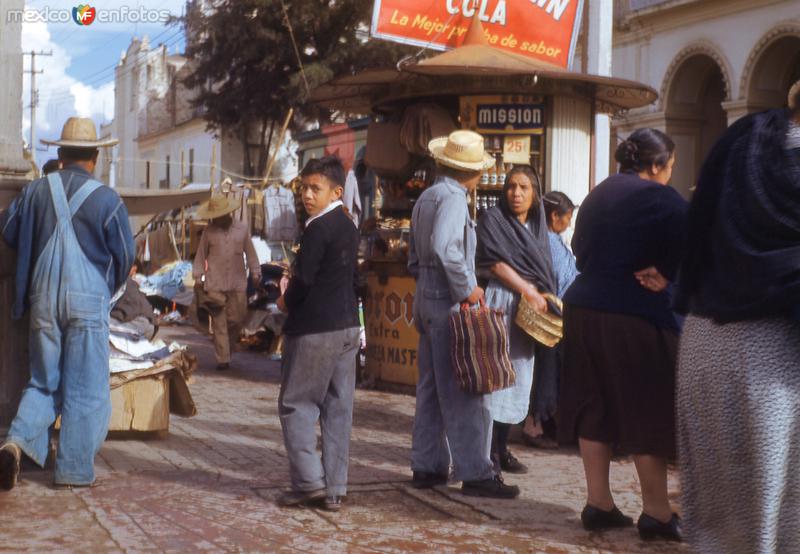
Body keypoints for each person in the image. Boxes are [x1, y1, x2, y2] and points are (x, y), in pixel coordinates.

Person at [674, 83, 800, 552]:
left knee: (721, 514)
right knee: (776, 515)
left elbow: (695, 228)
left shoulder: (740, 141)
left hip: (707, 337)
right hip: (776, 352)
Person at [558, 128, 688, 541]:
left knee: (593, 404)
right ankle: (657, 511)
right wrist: (666, 273)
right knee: (646, 405)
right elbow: (695, 239)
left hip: (583, 306)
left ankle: (599, 502)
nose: (670, 175)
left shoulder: (599, 193)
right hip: (633, 312)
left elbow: (579, 247)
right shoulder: (661, 196)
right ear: (656, 165)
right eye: (670, 167)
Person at [0, 117, 134, 490]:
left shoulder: (36, 191)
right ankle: (73, 471)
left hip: (42, 299)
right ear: (95, 157)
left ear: (60, 155)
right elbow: (125, 254)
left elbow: (8, 231)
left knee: (42, 382)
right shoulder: (108, 199)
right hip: (88, 302)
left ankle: (15, 442)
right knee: (86, 389)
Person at [408, 130, 519, 499]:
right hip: (447, 298)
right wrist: (467, 288)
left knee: (430, 387)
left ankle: (427, 464)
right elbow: (446, 248)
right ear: (469, 172)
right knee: (463, 387)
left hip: (425, 295)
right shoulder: (454, 198)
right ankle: (475, 470)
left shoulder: (427, 196)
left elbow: (417, 254)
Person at [274, 156, 361, 512]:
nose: (307, 195)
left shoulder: (318, 227)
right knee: (338, 408)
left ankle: (309, 482)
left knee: (297, 404)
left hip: (315, 328)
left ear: (336, 191)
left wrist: (284, 301)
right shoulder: (348, 224)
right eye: (304, 187)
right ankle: (335, 487)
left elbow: (305, 280)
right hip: (347, 327)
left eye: (315, 188)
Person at [476, 165, 557, 474]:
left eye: (524, 187)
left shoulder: (537, 225)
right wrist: (526, 289)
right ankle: (489, 453)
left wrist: (543, 298)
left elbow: (544, 268)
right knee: (496, 376)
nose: (516, 193)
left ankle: (502, 447)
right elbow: (494, 264)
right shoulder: (493, 220)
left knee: (518, 377)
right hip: (503, 301)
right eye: (511, 186)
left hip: (530, 310)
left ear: (535, 193)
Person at [522, 190, 578, 449]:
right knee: (546, 368)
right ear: (555, 216)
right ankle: (535, 425)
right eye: (567, 218)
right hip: (549, 316)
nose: (568, 224)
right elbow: (557, 279)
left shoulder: (547, 238)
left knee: (548, 368)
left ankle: (543, 419)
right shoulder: (548, 242)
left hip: (554, 314)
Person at [192, 195, 261, 371]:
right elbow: (200, 255)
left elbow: (251, 253)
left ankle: (227, 349)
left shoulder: (242, 229)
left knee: (237, 319)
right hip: (214, 283)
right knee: (219, 322)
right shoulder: (208, 232)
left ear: (228, 213)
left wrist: (256, 272)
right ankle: (223, 358)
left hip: (238, 283)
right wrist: (198, 276)